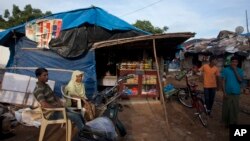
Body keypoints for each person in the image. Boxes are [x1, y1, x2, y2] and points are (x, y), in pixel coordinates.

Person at [33, 67, 86, 132]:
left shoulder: (46, 86)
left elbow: (54, 96)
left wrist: (59, 103)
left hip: (57, 109)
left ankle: (85, 130)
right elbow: (44, 105)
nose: (47, 77)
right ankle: (84, 134)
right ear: (38, 76)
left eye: (47, 75)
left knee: (78, 113)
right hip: (51, 114)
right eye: (44, 75)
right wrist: (58, 107)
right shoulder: (38, 90)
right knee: (76, 117)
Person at [221, 56, 244, 127]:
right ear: (230, 62)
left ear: (237, 63)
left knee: (235, 109)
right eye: (233, 61)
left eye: (236, 62)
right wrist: (224, 92)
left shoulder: (240, 70)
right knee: (226, 108)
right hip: (227, 92)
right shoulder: (225, 70)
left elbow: (240, 80)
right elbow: (223, 82)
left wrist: (235, 70)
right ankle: (227, 123)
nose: (234, 63)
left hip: (236, 92)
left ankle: (233, 122)